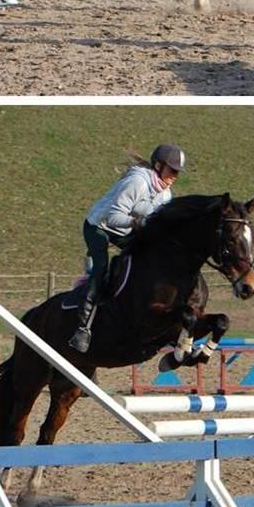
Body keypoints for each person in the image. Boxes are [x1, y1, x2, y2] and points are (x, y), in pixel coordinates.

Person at [68, 143, 185, 355]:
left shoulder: (166, 195)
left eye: (178, 172)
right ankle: (83, 327)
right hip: (99, 226)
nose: (175, 175)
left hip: (124, 230)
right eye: (172, 170)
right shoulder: (137, 182)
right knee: (101, 267)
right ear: (158, 166)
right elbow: (113, 218)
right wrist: (139, 223)